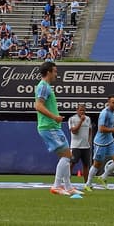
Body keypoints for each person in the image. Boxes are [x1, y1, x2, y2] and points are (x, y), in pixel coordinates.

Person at [34, 61, 81, 197]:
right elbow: (38, 106)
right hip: (49, 126)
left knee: (66, 156)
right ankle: (57, 186)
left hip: (50, 126)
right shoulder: (44, 87)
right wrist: (55, 117)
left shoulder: (45, 86)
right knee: (67, 156)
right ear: (48, 72)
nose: (56, 74)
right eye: (54, 71)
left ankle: (68, 187)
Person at [85, 95, 114, 191]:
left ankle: (103, 176)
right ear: (108, 103)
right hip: (100, 143)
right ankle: (88, 184)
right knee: (97, 164)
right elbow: (101, 129)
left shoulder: (113, 112)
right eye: (113, 102)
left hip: (110, 141)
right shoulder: (104, 113)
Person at [68, 104, 93, 184]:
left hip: (86, 146)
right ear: (77, 110)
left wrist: (89, 140)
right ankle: (67, 182)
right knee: (72, 164)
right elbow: (74, 131)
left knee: (86, 165)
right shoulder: (72, 119)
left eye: (83, 110)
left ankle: (87, 184)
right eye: (81, 110)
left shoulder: (88, 119)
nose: (82, 112)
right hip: (76, 146)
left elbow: (90, 129)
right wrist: (81, 121)